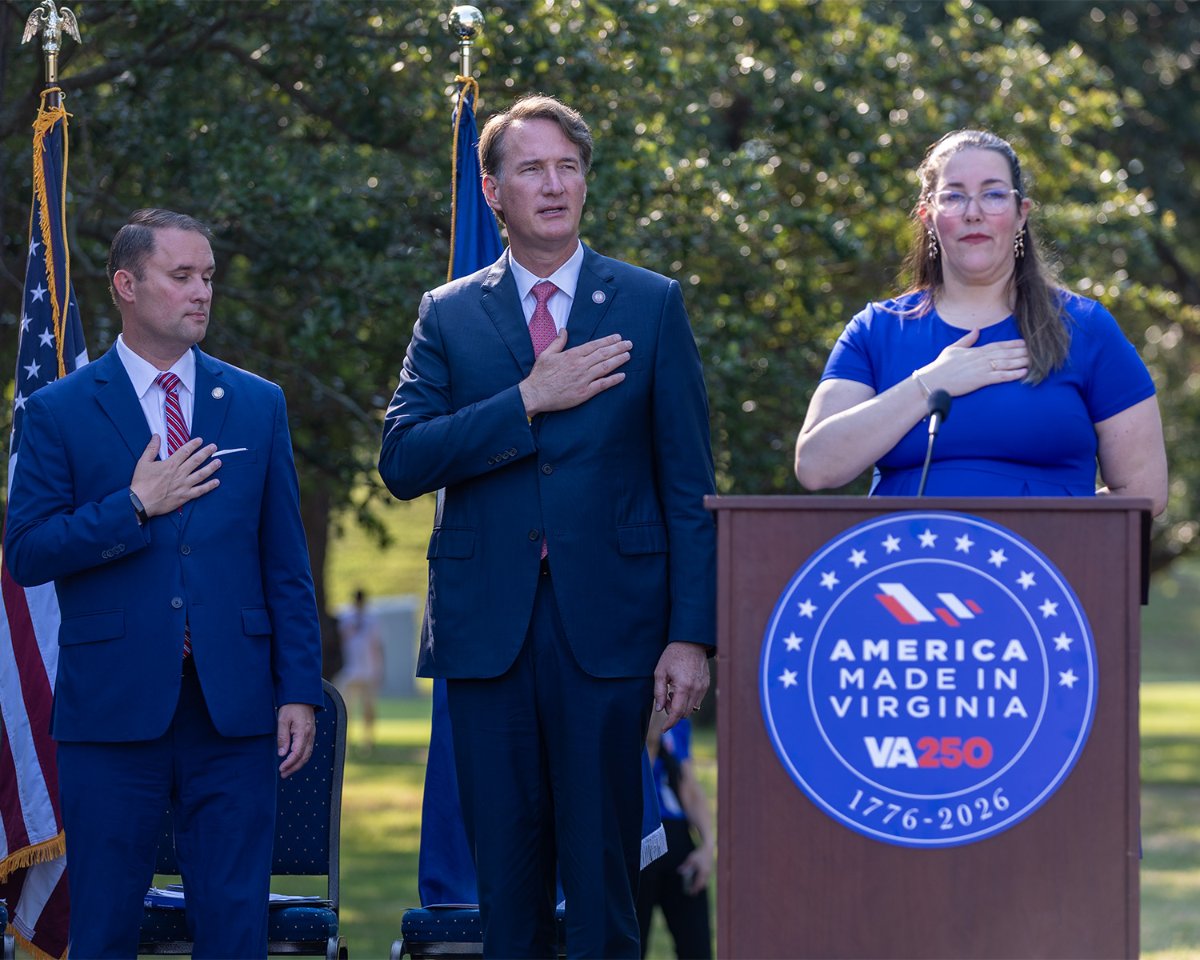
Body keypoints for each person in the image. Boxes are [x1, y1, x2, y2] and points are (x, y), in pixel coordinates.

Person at [378, 94, 716, 958]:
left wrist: (691, 638)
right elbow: (405, 460)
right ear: (492, 190)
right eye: (532, 168)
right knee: (508, 886)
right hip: (489, 636)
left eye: (569, 167)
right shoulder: (448, 313)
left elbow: (687, 488)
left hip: (612, 633)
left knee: (607, 881)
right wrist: (528, 399)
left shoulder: (648, 304)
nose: (555, 184)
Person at [4, 208, 324, 958]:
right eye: (181, 276)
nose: (201, 292)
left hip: (235, 713)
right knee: (107, 929)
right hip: (110, 716)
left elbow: (286, 564)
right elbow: (26, 553)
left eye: (208, 276)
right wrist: (134, 506)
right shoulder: (57, 412)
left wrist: (299, 689)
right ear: (126, 284)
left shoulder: (256, 402)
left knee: (234, 931)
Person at [794, 129, 1168, 516]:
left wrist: (1040, 533)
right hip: (907, 569)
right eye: (954, 196)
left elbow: (1145, 492)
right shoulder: (875, 330)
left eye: (992, 194)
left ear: (1021, 214)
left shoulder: (1088, 328)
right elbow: (816, 468)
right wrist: (930, 384)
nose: (973, 212)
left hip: (1040, 570)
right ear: (928, 217)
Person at [636, 712, 713, 960]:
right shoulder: (622, 714)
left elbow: (688, 786)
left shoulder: (677, 723)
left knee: (697, 946)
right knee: (631, 946)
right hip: (638, 837)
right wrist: (652, 730)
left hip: (677, 839)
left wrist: (708, 847)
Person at [335, 588, 384, 751]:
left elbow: (377, 646)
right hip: (349, 671)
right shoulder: (345, 617)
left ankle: (367, 741)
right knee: (345, 709)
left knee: (368, 709)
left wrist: (378, 670)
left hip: (368, 671)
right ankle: (345, 742)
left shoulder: (372, 619)